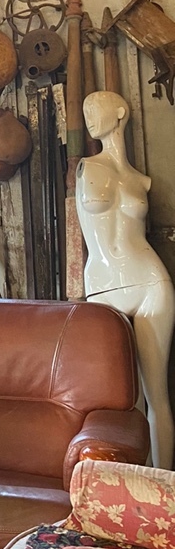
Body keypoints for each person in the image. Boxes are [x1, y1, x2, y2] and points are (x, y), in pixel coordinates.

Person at [77, 91, 174, 469]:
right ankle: (124, 489)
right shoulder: (85, 167)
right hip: (103, 288)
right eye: (85, 109)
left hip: (150, 281)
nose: (88, 115)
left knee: (157, 395)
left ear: (120, 112)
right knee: (119, 399)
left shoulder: (141, 181)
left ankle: (164, 488)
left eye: (95, 108)